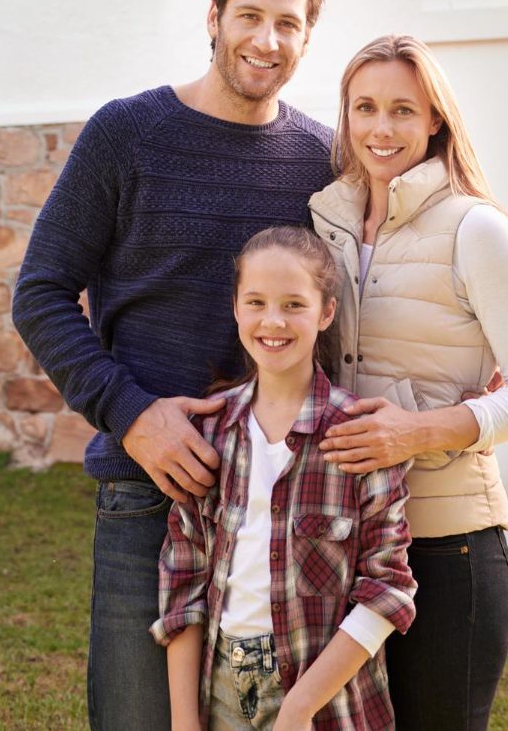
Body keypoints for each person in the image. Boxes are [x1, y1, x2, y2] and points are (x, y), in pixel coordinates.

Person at [12, 0, 335, 731]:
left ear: (306, 37)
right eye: (250, 16)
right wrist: (132, 413)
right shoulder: (128, 134)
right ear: (214, 15)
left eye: (288, 24)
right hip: (148, 493)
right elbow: (41, 292)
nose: (267, 40)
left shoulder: (323, 162)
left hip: (280, 503)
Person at [309, 35, 508, 731]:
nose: (380, 129)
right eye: (364, 107)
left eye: (401, 110)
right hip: (343, 542)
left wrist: (413, 432)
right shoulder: (323, 221)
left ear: (434, 121)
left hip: (448, 548)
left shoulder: (476, 229)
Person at [152, 224, 416, 731]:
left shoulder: (361, 437)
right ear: (235, 308)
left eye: (294, 304)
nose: (273, 321)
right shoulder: (208, 433)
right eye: (256, 302)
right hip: (221, 688)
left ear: (326, 312)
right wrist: (185, 721)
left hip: (327, 700)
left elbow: (387, 588)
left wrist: (299, 708)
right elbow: (182, 581)